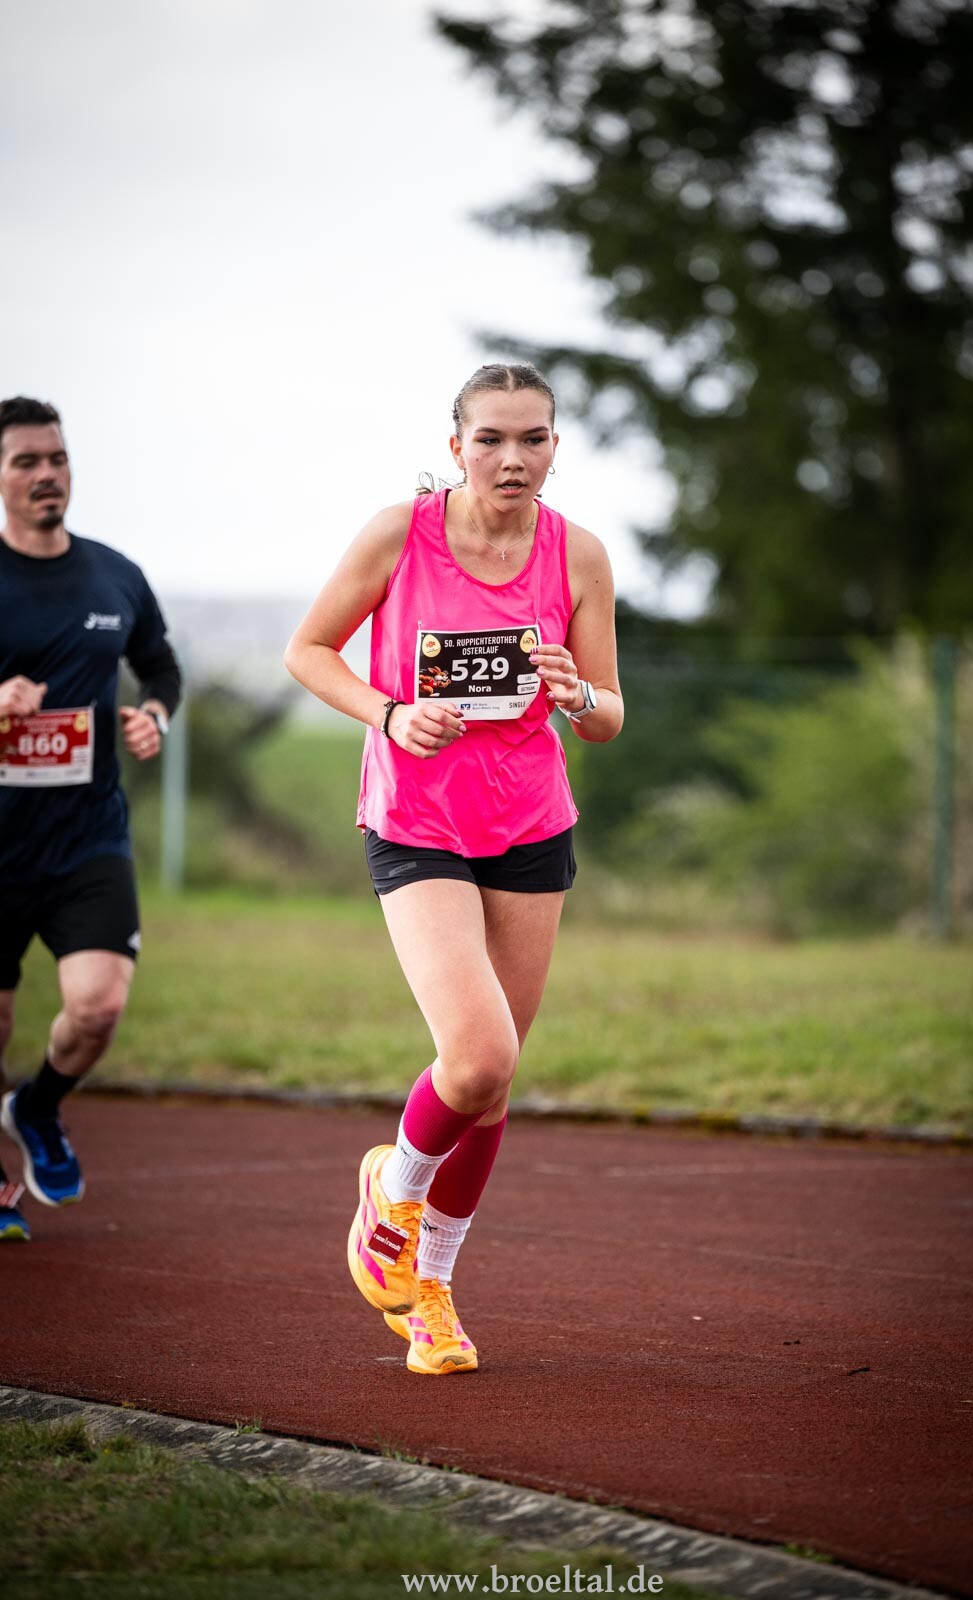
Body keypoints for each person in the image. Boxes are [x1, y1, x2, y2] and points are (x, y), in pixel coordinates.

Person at [285, 362, 623, 1374]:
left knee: (495, 1084)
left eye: (533, 438)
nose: (512, 458)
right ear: (455, 447)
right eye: (491, 439)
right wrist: (389, 713)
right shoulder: (400, 533)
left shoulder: (578, 553)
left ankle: (430, 1286)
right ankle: (389, 1192)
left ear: (555, 447)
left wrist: (573, 693)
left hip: (529, 825)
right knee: (475, 1056)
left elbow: (606, 715)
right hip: (418, 820)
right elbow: (308, 651)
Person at [0, 396, 182, 1242]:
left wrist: (156, 718)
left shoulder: (115, 575)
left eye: (57, 458)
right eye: (26, 462)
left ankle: (37, 1107)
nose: (47, 474)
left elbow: (160, 667)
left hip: (87, 839)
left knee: (99, 1006)